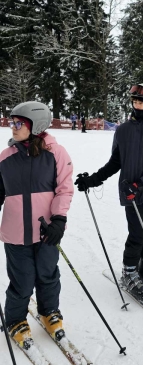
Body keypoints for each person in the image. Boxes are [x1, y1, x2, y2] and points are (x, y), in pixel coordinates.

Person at [74, 83, 143, 303]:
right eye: (135, 101)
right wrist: (94, 179)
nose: (137, 105)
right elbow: (116, 161)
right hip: (131, 191)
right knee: (137, 233)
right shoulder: (123, 130)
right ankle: (129, 271)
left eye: (141, 102)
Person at [0, 101, 73, 348]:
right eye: (12, 122)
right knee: (22, 278)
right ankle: (15, 319)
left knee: (48, 274)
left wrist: (59, 220)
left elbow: (64, 189)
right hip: (15, 232)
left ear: (36, 125)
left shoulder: (56, 153)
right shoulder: (5, 158)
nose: (13, 127)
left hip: (47, 231)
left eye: (19, 123)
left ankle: (49, 311)